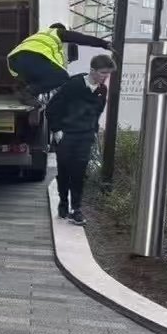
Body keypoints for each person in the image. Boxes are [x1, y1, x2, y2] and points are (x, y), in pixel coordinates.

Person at [46, 53, 115, 225]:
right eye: (103, 73)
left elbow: (97, 112)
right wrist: (57, 129)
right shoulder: (73, 85)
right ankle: (63, 203)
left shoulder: (102, 90)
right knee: (64, 171)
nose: (105, 77)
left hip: (85, 136)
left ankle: (76, 209)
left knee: (79, 173)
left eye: (108, 74)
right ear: (92, 70)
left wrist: (94, 131)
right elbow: (52, 107)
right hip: (66, 135)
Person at [8, 23, 112, 100]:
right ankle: (28, 93)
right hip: (34, 57)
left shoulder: (38, 36)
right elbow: (81, 38)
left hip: (14, 61)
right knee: (62, 77)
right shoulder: (57, 32)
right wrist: (104, 44)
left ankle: (21, 89)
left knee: (38, 79)